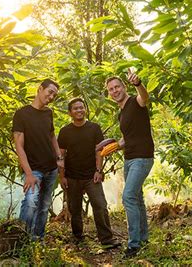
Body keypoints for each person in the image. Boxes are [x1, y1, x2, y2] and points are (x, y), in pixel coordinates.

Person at [57, 97, 121, 249]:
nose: (79, 110)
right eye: (75, 108)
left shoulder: (94, 128)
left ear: (85, 109)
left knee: (100, 205)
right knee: (75, 209)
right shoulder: (65, 131)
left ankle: (106, 239)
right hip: (72, 177)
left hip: (91, 175)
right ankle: (78, 236)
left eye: (81, 107)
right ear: (70, 113)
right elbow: (61, 156)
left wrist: (99, 170)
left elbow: (99, 151)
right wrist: (62, 176)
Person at [105, 70, 154, 258]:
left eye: (117, 87)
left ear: (124, 87)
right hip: (129, 157)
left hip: (142, 157)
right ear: (109, 94)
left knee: (128, 197)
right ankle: (143, 239)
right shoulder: (121, 113)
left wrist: (139, 83)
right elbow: (126, 138)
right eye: (111, 89)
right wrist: (113, 146)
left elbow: (145, 98)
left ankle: (133, 245)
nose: (115, 90)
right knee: (137, 198)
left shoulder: (135, 101)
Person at [12, 78, 62, 240]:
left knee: (44, 206)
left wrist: (59, 157)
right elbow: (19, 145)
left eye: (55, 94)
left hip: (51, 168)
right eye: (50, 92)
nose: (52, 96)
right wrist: (28, 173)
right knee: (31, 203)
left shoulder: (48, 113)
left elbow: (52, 135)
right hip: (33, 169)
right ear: (40, 89)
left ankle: (37, 238)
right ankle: (21, 241)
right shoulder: (22, 114)